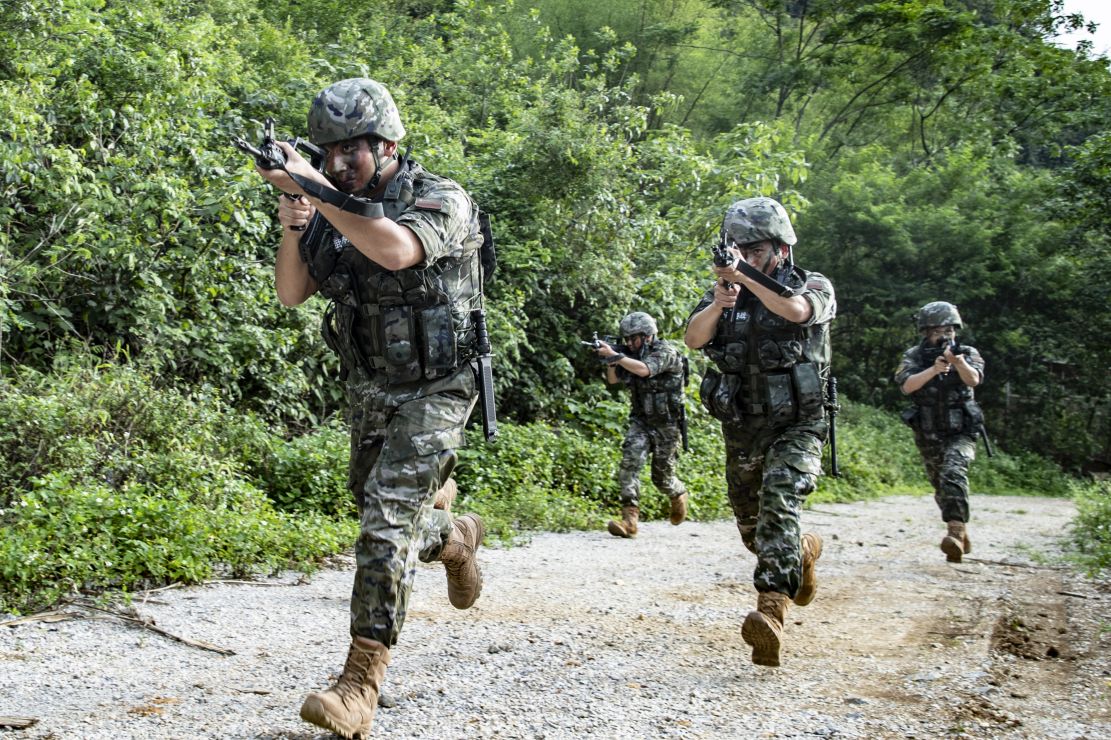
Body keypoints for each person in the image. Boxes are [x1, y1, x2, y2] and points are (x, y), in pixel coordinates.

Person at [254, 77, 487, 739]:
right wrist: (295, 220)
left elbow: (395, 247)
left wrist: (317, 194)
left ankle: (360, 683)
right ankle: (455, 539)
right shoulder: (332, 208)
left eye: (351, 150)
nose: (337, 163)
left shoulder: (441, 199)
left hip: (440, 386)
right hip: (372, 389)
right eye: (327, 152)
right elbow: (293, 292)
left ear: (387, 145)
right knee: (389, 517)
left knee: (384, 522)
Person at [684, 197, 835, 668]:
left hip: (799, 422)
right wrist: (720, 302)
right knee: (754, 530)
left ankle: (771, 610)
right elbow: (693, 338)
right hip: (744, 424)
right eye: (739, 249)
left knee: (780, 496)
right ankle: (801, 553)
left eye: (756, 250)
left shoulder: (812, 284)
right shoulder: (727, 291)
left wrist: (746, 279)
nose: (746, 257)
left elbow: (796, 312)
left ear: (781, 248)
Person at [895, 301, 986, 563]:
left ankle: (955, 532)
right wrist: (934, 369)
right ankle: (961, 531)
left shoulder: (967, 353)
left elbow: (974, 380)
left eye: (949, 329)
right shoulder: (914, 356)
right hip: (929, 431)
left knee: (953, 472)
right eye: (937, 330)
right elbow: (907, 386)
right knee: (940, 485)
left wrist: (958, 363)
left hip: (961, 431)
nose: (944, 335)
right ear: (926, 331)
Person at [592, 311, 690, 538]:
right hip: (641, 422)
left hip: (667, 424)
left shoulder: (666, 352)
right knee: (629, 465)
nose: (628, 344)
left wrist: (616, 355)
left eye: (632, 339)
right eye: (626, 339)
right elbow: (614, 380)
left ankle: (678, 494)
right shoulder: (629, 356)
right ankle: (629, 521)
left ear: (647, 336)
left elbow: (645, 370)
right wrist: (609, 359)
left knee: (662, 478)